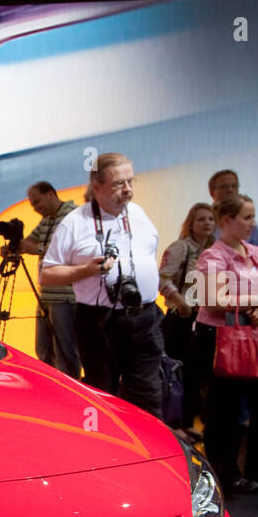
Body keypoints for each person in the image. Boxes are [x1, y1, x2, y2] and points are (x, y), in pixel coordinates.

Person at [40, 152, 164, 417]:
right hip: (100, 323)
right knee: (103, 397)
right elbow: (48, 273)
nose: (128, 189)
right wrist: (85, 270)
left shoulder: (138, 214)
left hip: (144, 317)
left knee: (148, 395)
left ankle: (152, 454)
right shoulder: (75, 222)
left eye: (131, 181)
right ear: (96, 187)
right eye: (119, 183)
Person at [194, 195, 258, 493]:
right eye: (247, 217)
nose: (253, 224)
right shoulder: (212, 256)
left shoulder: (254, 252)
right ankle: (225, 473)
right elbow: (211, 300)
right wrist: (252, 302)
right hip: (223, 339)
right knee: (223, 410)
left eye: (253, 217)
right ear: (227, 220)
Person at [159, 202, 216, 436]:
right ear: (191, 223)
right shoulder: (180, 248)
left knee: (197, 373)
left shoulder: (216, 250)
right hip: (181, 318)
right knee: (177, 372)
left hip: (206, 320)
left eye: (211, 219)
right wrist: (179, 300)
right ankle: (173, 422)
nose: (207, 223)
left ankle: (189, 422)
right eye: (201, 219)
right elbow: (163, 279)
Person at [12, 181, 78, 378]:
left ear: (50, 194)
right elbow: (30, 241)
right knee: (43, 350)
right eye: (32, 204)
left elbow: (74, 252)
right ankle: (50, 388)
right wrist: (15, 245)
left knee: (65, 351)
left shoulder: (72, 216)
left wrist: (39, 250)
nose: (35, 208)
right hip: (47, 296)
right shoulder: (48, 220)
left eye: (37, 202)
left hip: (65, 297)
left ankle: (71, 390)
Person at [209, 169, 258, 256]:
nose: (230, 190)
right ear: (212, 192)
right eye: (224, 187)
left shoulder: (248, 222)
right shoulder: (202, 218)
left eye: (234, 186)